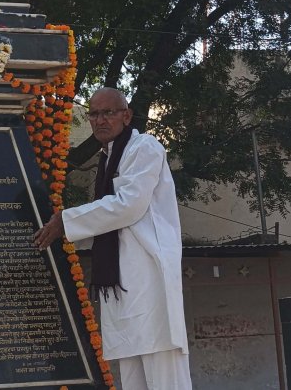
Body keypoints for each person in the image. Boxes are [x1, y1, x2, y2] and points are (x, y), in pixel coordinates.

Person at [33, 87, 192, 390]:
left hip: (148, 278)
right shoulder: (107, 159)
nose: (100, 120)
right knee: (133, 379)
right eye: (94, 113)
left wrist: (66, 221)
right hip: (121, 284)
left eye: (108, 112)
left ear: (126, 115)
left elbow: (129, 205)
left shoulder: (144, 147)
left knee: (165, 377)